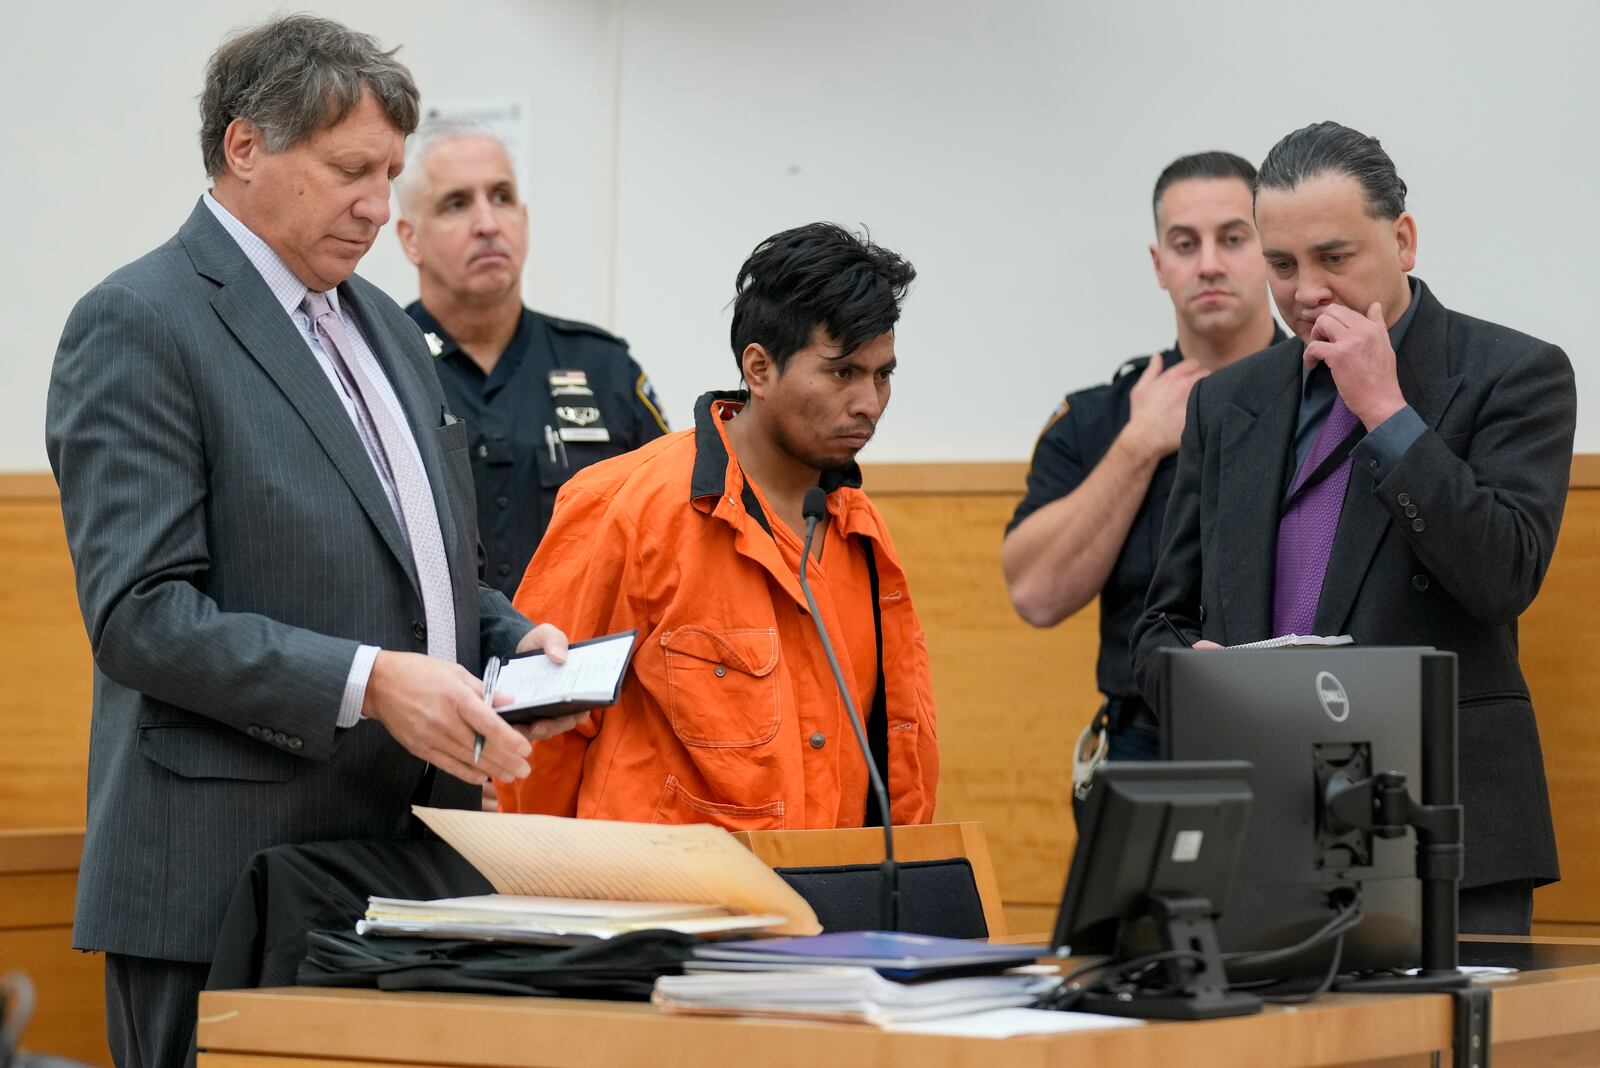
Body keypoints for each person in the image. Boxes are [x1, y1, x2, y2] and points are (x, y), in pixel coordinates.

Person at [44, 17, 583, 1063]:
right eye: (350, 171)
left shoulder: (383, 322)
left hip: (410, 865)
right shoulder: (138, 322)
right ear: (246, 147)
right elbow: (140, 616)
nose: (381, 208)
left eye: (389, 173)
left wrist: (506, 640)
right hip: (222, 880)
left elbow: (425, 563)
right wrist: (373, 682)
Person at [1133, 122, 1576, 935]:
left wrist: (1385, 408)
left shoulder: (1515, 373)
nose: (1307, 292)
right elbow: (1163, 622)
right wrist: (1201, 683)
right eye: (1282, 265)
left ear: (1402, 240)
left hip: (1443, 821)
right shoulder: (1228, 402)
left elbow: (1503, 574)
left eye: (1335, 259)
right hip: (1266, 819)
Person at [496, 222, 940, 830]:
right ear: (758, 368)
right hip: (657, 913)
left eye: (882, 374)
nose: (868, 402)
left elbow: (897, 756)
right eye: (843, 373)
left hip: (824, 910)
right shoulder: (626, 504)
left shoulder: (861, 535)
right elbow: (539, 744)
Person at [1002, 152, 1281, 771]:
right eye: (1185, 243)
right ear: (1159, 264)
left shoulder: (1329, 394)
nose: (1209, 263)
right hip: (1145, 744)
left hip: (1296, 729)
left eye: (1233, 239)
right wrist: (1137, 445)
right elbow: (1035, 594)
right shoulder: (1099, 417)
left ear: (1269, 248)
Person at [394, 120, 669, 598]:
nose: (487, 224)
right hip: (430, 666)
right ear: (410, 238)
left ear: (524, 218)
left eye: (501, 198)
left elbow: (669, 524)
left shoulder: (604, 369)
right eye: (456, 204)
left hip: (577, 660)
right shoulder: (377, 364)